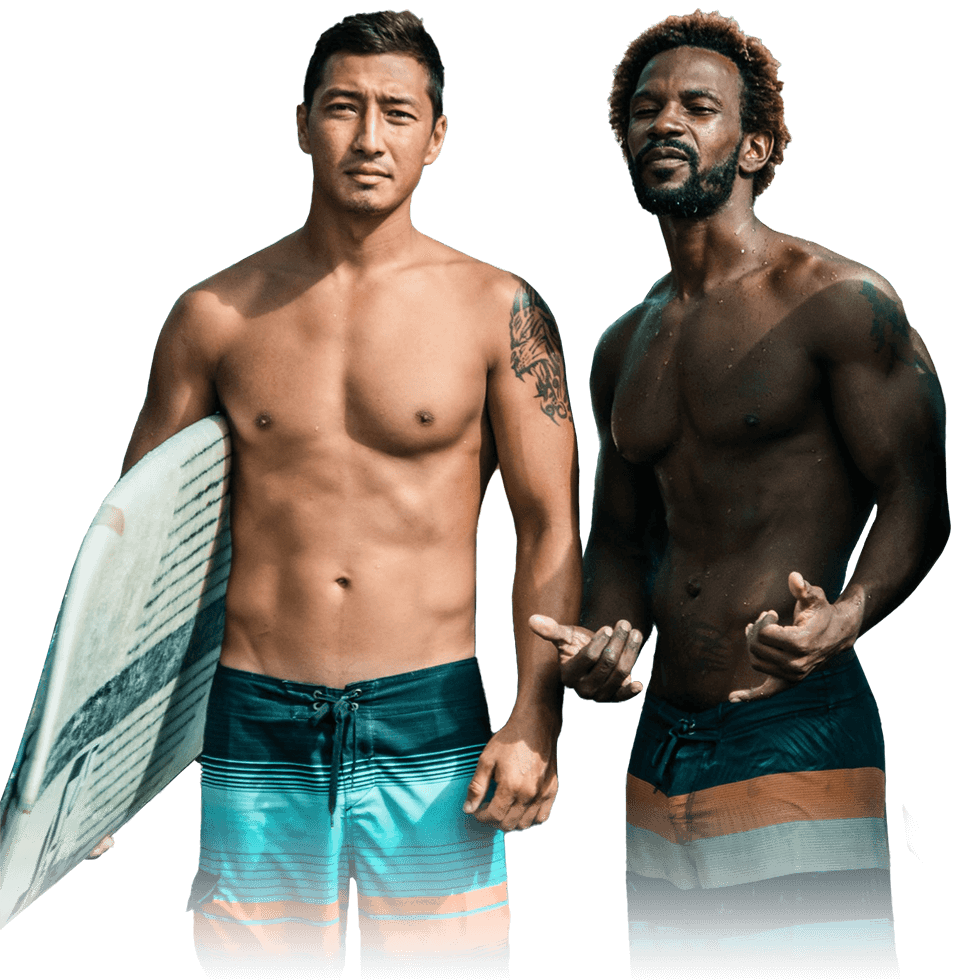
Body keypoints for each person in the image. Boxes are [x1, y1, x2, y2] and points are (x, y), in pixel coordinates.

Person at [89, 9, 580, 974]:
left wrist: (537, 720)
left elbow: (550, 529)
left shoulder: (498, 309)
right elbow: (138, 554)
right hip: (255, 714)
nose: (368, 137)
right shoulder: (214, 316)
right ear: (302, 124)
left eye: (397, 112)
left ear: (437, 136)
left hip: (432, 716)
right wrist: (103, 762)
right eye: (343, 107)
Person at [531, 10, 949, 974]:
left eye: (697, 106)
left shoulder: (839, 302)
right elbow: (622, 539)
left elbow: (920, 498)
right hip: (663, 745)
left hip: (795, 723)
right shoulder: (622, 345)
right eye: (645, 109)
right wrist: (605, 641)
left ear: (754, 146)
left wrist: (847, 616)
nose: (664, 122)